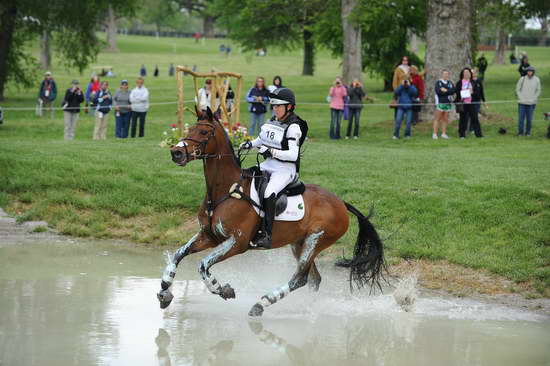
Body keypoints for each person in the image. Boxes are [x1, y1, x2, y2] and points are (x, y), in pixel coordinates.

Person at [239, 88, 308, 249]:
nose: (275, 109)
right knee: (245, 177)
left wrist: (270, 151)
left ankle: (267, 235)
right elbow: (261, 139)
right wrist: (250, 144)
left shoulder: (293, 127)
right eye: (274, 106)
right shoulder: (273, 120)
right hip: (269, 164)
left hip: (285, 169)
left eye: (278, 106)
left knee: (270, 192)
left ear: (289, 107)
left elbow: (292, 155)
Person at [455, 67, 482, 139]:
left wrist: (472, 92)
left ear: (470, 74)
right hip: (463, 103)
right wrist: (462, 93)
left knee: (475, 118)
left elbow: (478, 93)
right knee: (463, 119)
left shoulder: (473, 82)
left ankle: (479, 135)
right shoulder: (459, 83)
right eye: (465, 73)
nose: (466, 74)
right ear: (462, 74)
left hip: (471, 103)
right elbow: (457, 92)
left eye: (468, 73)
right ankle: (462, 135)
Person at [516, 66, 541, 136]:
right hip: (522, 102)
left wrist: (534, 98)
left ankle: (528, 132)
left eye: (531, 71)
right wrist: (520, 97)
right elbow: (517, 89)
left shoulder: (537, 80)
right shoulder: (522, 79)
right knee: (521, 119)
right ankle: (520, 132)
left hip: (531, 103)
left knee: (529, 119)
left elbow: (538, 90)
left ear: (533, 72)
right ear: (526, 72)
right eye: (528, 71)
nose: (529, 73)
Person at [433, 70, 455, 140]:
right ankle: (435, 134)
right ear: (442, 75)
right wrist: (447, 91)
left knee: (445, 119)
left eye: (447, 74)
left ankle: (443, 133)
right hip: (440, 102)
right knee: (437, 118)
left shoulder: (450, 83)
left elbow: (453, 91)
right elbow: (438, 92)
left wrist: (445, 90)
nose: (446, 75)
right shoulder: (438, 82)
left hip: (448, 103)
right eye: (444, 74)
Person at [471, 68, 487, 133]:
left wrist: (484, 101)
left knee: (475, 114)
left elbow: (481, 92)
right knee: (471, 115)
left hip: (477, 101)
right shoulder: (469, 81)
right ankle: (470, 128)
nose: (473, 74)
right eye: (472, 73)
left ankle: (474, 128)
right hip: (470, 101)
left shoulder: (479, 81)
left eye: (474, 72)